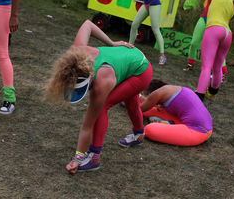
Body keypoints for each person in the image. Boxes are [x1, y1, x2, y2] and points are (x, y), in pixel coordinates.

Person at [44, 20, 153, 174]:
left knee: (102, 107)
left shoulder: (103, 81)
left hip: (142, 71)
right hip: (130, 58)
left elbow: (87, 125)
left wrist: (77, 158)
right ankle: (139, 134)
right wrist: (112, 43)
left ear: (89, 79)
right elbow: (88, 24)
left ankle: (94, 157)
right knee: (130, 102)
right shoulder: (76, 52)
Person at [140, 78, 212, 146]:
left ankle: (166, 124)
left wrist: (135, 96)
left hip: (197, 131)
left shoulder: (157, 94)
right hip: (206, 127)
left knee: (149, 129)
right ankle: (168, 123)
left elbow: (142, 108)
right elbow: (152, 106)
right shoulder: (173, 90)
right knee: (153, 112)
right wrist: (139, 97)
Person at [195, 0, 234, 101]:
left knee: (206, 67)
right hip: (227, 33)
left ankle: (198, 97)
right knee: (218, 67)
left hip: (213, 29)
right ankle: (212, 93)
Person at [183, 0, 229, 82]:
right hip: (204, 18)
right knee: (194, 43)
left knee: (218, 49)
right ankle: (190, 64)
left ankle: (224, 73)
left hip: (216, 23)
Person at [129, 0, 166, 65]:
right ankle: (129, 46)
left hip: (155, 4)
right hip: (145, 4)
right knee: (134, 25)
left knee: (156, 30)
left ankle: (162, 56)